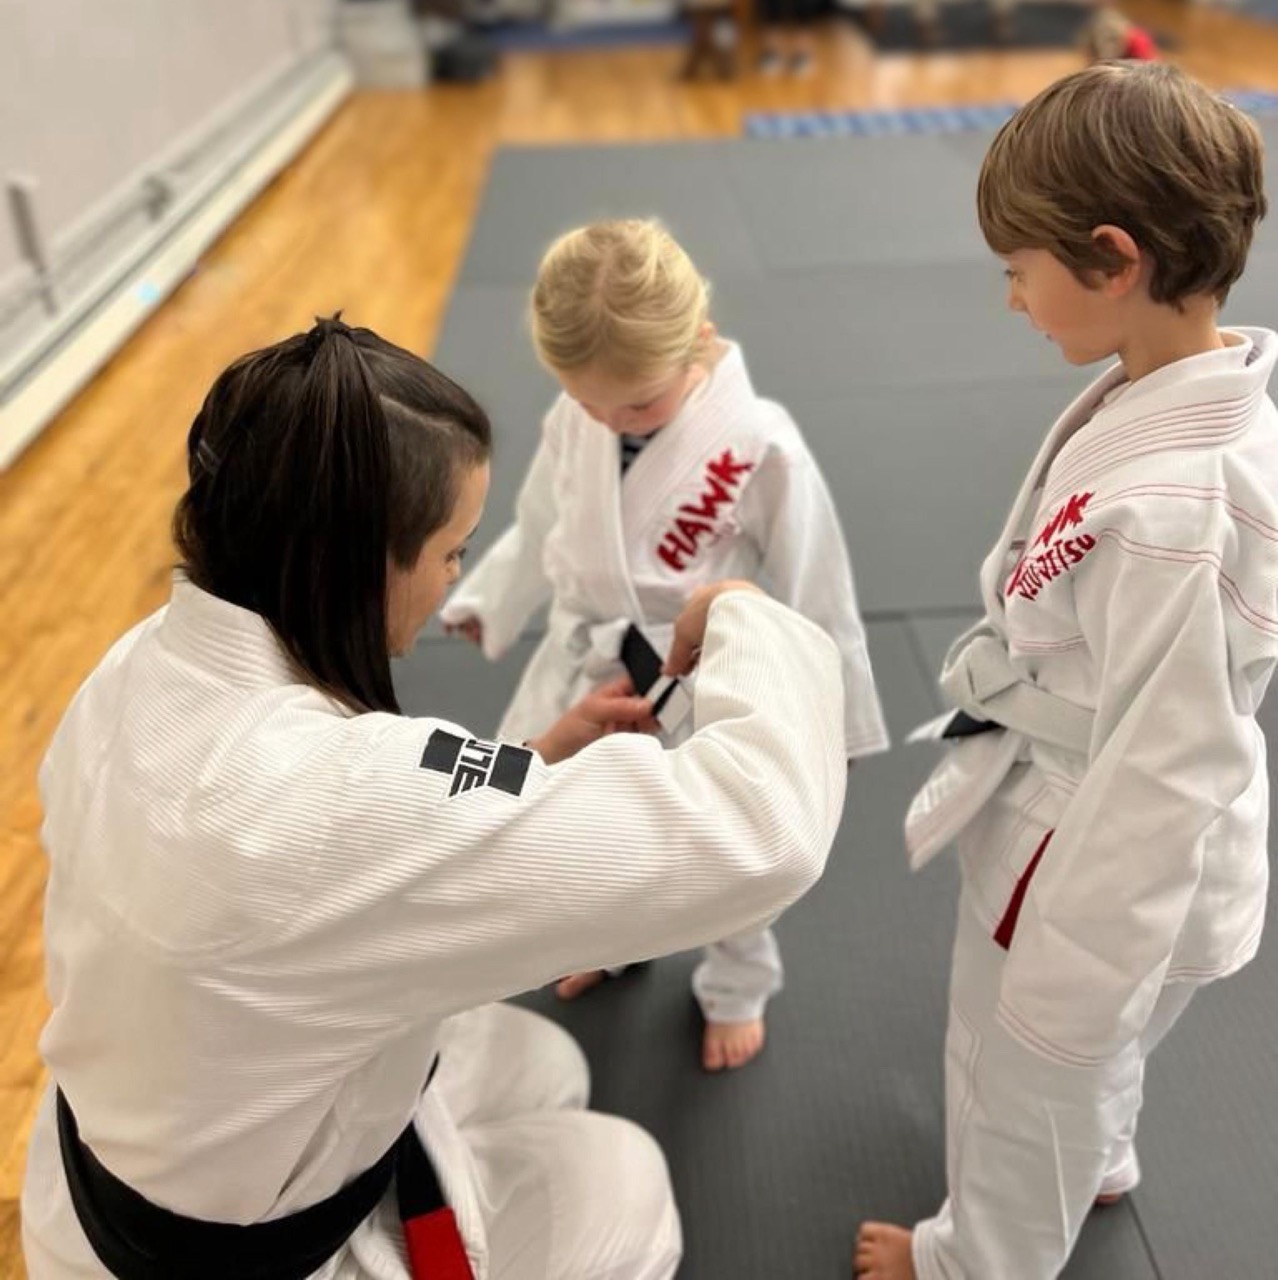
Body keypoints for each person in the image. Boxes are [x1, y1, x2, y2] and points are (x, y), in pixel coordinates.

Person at [20, 318, 850, 1280]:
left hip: (159, 1134)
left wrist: (534, 765)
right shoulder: (339, 799)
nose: (457, 574)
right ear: (363, 565)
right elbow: (762, 831)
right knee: (626, 1181)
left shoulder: (139, 667)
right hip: (231, 1256)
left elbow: (381, 829)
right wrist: (748, 613)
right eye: (452, 551)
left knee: (544, 1066)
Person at [855, 63, 1276, 1280]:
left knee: (1020, 1064)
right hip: (1127, 811)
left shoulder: (1175, 511)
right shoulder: (1184, 395)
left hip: (1100, 840)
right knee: (1095, 1061)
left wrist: (1073, 971)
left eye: (1017, 269)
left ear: (1113, 258)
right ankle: (1099, 1150)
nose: (1011, 299)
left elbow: (1163, 770)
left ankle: (976, 1258)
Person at [442, 218, 888, 1072]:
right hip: (585, 667)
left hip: (691, 675)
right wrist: (493, 599)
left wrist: (832, 718)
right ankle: (608, 941)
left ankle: (739, 980)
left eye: (639, 405)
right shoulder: (575, 420)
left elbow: (816, 581)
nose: (611, 419)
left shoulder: (758, 442)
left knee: (723, 845)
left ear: (699, 341)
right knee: (574, 821)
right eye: (589, 402)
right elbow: (543, 522)